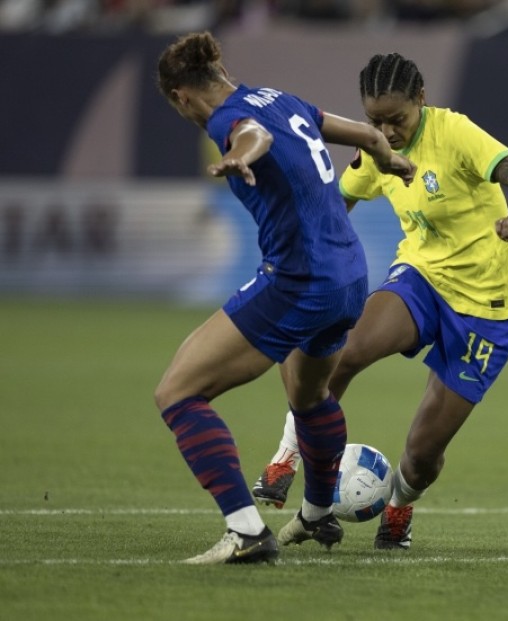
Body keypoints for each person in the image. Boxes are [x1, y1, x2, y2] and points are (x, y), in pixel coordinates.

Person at [250, 52, 508, 550]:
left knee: (422, 452)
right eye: (374, 121)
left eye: (397, 119)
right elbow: (336, 204)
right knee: (338, 352)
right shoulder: (374, 150)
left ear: (421, 99)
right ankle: (286, 459)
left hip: (488, 312)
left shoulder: (455, 134)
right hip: (421, 278)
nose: (386, 131)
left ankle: (399, 506)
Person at [154, 32, 415, 564]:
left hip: (299, 280)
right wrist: (391, 160)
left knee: (177, 392)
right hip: (348, 278)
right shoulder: (281, 98)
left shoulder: (228, 120)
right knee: (310, 396)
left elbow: (254, 137)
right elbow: (365, 133)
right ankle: (318, 514)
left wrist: (238, 157)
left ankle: (246, 531)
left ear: (181, 96)